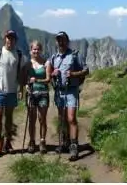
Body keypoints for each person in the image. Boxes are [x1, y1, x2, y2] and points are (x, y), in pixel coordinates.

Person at [48, 31, 89, 161]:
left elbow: (86, 70)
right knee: (62, 119)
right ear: (56, 42)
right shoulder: (54, 57)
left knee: (71, 118)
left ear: (67, 41)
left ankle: (74, 146)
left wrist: (74, 74)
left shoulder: (75, 55)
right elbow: (48, 71)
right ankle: (65, 143)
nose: (61, 42)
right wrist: (53, 74)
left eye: (63, 39)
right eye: (59, 40)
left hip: (71, 90)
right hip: (59, 91)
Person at [0, 30, 27, 157]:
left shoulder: (19, 55)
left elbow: (22, 72)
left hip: (12, 91)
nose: (10, 40)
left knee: (9, 117)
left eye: (13, 38)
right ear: (5, 39)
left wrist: (21, 89)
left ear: (15, 40)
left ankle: (8, 141)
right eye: (8, 38)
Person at [25, 40, 51, 154]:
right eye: (34, 49)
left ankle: (42, 141)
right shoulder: (27, 64)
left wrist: (37, 80)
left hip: (43, 93)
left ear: (41, 50)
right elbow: (24, 77)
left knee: (42, 119)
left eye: (38, 49)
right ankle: (31, 141)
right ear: (31, 51)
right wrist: (26, 85)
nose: (36, 51)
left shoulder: (46, 63)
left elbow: (48, 80)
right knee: (32, 119)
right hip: (31, 94)